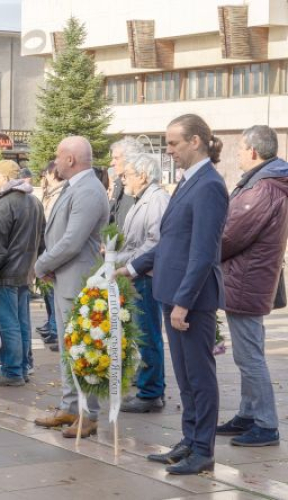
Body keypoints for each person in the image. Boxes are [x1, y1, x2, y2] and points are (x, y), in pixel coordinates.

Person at [116, 114, 228, 475]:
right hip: (171, 292)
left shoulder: (209, 185)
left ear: (196, 141)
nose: (169, 150)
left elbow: (203, 252)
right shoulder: (188, 181)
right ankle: (190, 440)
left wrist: (184, 301)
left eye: (174, 143)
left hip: (190, 300)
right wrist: (133, 267)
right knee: (184, 376)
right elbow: (171, 241)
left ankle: (203, 450)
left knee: (199, 376)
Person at [216, 125, 288, 447]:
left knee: (249, 357)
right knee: (249, 353)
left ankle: (266, 424)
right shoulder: (264, 183)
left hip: (247, 281)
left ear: (254, 151)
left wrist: (203, 253)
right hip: (248, 280)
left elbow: (230, 236)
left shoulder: (262, 189)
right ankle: (248, 414)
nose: (238, 154)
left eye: (240, 149)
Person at [33, 136, 110, 439]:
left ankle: (88, 414)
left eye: (58, 156)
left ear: (70, 159)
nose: (54, 161)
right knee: (70, 349)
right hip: (66, 278)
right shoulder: (74, 186)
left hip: (78, 281)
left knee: (83, 348)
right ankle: (70, 407)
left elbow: (72, 241)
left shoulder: (88, 189)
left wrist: (41, 264)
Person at [0, 160, 46, 385]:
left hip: (6, 274)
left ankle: (12, 371)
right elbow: (42, 241)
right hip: (24, 273)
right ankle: (22, 367)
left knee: (9, 324)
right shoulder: (34, 202)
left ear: (6, 178)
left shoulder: (5, 204)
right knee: (21, 323)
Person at [115, 153, 170, 413]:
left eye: (127, 175)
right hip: (139, 273)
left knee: (148, 334)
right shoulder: (144, 198)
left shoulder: (156, 200)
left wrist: (127, 264)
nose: (123, 179)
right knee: (143, 333)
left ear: (143, 176)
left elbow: (155, 242)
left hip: (146, 276)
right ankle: (150, 387)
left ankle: (151, 392)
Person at [37, 161, 64, 350]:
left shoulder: (60, 194)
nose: (44, 177)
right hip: (47, 249)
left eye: (46, 174)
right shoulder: (51, 194)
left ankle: (56, 330)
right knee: (50, 294)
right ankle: (53, 326)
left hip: (53, 251)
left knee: (55, 295)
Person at [109, 138, 141, 228]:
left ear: (130, 160)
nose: (111, 163)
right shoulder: (118, 185)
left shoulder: (139, 189)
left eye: (116, 158)